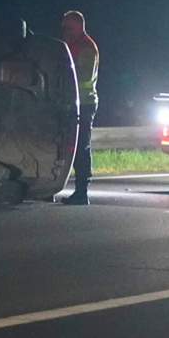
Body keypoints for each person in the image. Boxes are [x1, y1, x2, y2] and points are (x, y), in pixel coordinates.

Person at [61, 10, 99, 205]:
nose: (64, 31)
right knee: (68, 146)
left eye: (67, 27)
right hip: (72, 103)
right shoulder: (71, 45)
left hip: (84, 103)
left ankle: (82, 191)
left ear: (77, 26)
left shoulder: (86, 48)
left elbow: (82, 77)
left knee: (81, 147)